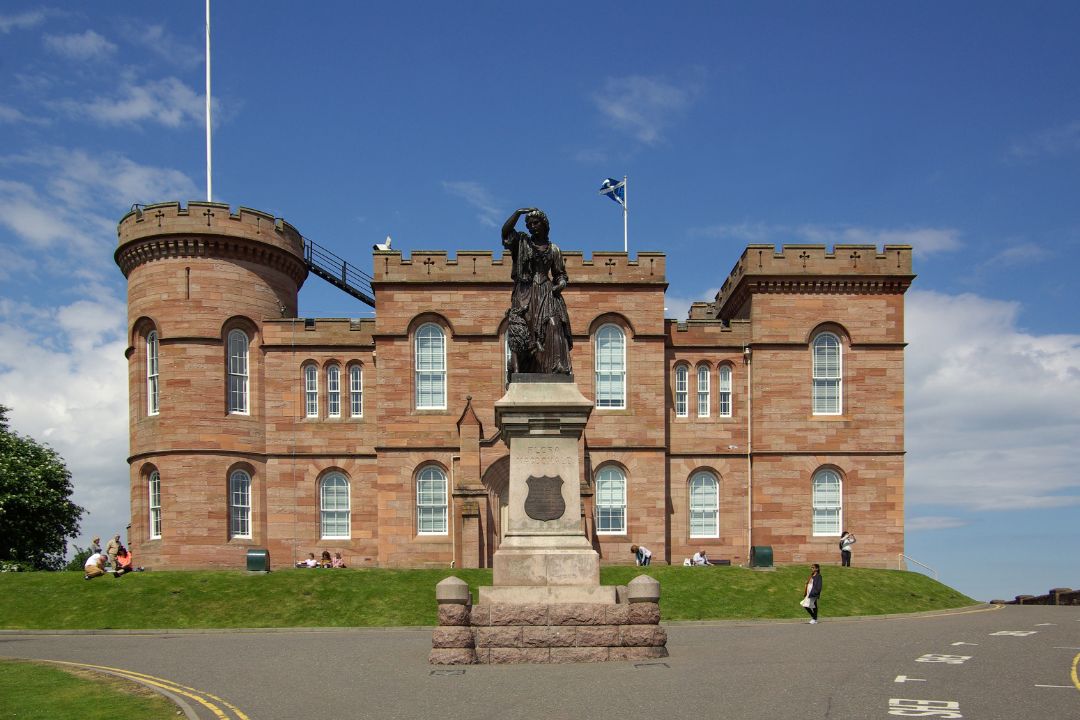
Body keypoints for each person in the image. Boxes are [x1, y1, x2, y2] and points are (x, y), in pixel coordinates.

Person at [500, 207, 573, 376]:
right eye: (529, 224)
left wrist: (561, 284)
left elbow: (560, 274)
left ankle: (556, 369)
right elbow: (505, 232)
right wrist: (518, 213)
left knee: (554, 325)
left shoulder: (554, 249)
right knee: (523, 332)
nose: (532, 226)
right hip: (526, 293)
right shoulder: (521, 243)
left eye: (535, 223)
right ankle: (526, 371)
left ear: (544, 224)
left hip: (547, 292)